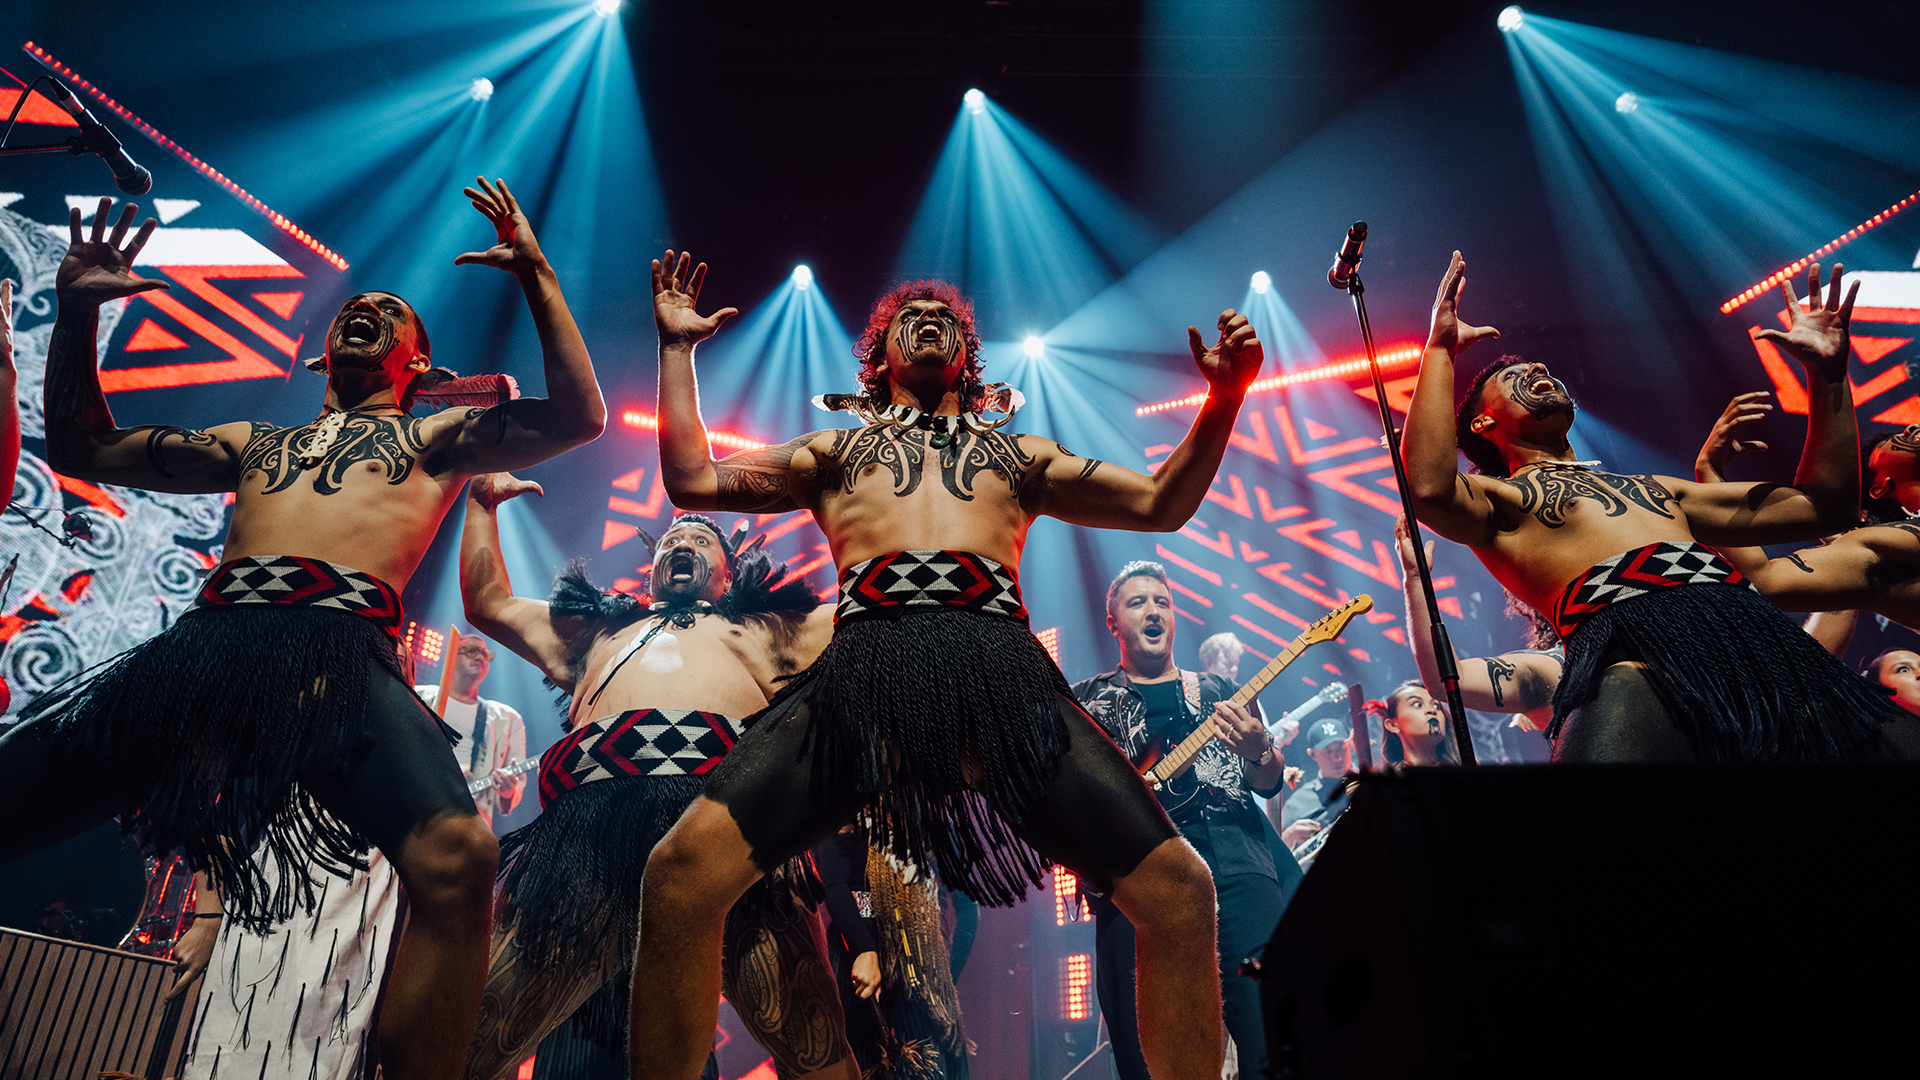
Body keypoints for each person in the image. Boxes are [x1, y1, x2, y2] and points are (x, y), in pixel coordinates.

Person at [0, 182, 606, 1080]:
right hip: (210, 652)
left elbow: (579, 417)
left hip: (336, 659)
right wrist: (79, 315)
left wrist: (539, 277)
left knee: (458, 854)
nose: (365, 309)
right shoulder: (256, 442)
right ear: (325, 354)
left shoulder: (437, 439)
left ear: (418, 361)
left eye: (389, 312)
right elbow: (84, 449)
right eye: (355, 308)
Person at [632, 254, 1264, 1080]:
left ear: (969, 355)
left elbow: (1161, 503)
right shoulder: (834, 450)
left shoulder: (1019, 455)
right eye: (910, 313)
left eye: (947, 317)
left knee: (1181, 892)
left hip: (997, 671)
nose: (929, 316)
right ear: (879, 352)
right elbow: (693, 479)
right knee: (677, 877)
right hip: (864, 672)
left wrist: (1224, 399)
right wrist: (677, 352)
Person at [1399, 252, 1911, 763]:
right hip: (1634, 662)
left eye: (1537, 365)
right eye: (1511, 375)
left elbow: (1826, 505)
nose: (1536, 366)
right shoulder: (1497, 499)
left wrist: (1827, 375)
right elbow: (1427, 488)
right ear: (1483, 425)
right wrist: (1440, 349)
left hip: (1760, 649)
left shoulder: (1660, 490)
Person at [455, 476, 847, 1080]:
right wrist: (480, 504)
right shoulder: (597, 636)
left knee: (815, 1048)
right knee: (466, 1044)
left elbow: (870, 610)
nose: (681, 544)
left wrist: (853, 505)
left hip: (724, 825)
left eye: (700, 539)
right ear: (651, 569)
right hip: (590, 836)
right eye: (670, 540)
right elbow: (488, 603)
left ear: (728, 572)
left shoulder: (771, 632)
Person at [1072, 561, 1286, 1080]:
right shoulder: (1084, 704)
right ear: (1112, 621)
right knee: (1145, 1050)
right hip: (1139, 882)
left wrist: (1261, 751)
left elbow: (1268, 781)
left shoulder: (1221, 691)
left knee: (1270, 1033)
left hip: (1236, 867)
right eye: (1138, 602)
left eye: (1162, 602)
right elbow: (1066, 805)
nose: (1153, 611)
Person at [813, 825, 968, 1080]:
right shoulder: (846, 812)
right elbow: (834, 883)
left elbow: (968, 907)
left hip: (920, 967)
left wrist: (946, 981)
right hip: (860, 959)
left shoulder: (934, 820)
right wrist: (864, 949)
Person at [415, 635, 527, 827]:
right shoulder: (418, 697)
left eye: (485, 653)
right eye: (471, 650)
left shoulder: (508, 717)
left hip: (469, 823)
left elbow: (516, 785)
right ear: (451, 655)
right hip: (414, 809)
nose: (480, 657)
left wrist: (508, 789)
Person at [1275, 718, 1351, 851]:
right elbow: (1273, 855)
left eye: (1341, 748)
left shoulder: (1370, 784)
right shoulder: (1297, 802)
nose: (1337, 757)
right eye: (1328, 751)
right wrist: (1289, 836)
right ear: (1312, 754)